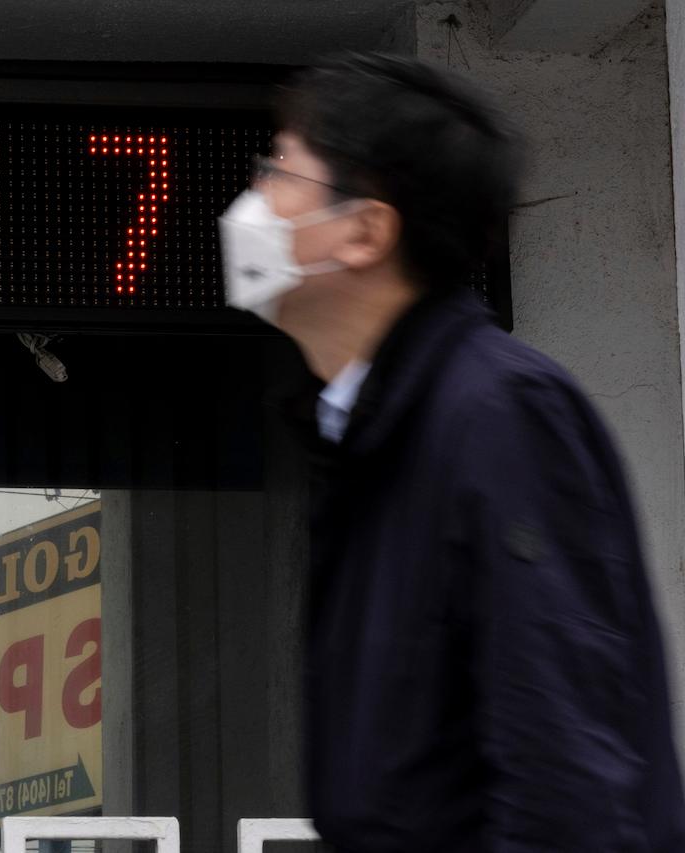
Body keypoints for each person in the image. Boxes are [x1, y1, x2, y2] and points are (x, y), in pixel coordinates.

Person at [218, 53, 685, 851]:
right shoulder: (367, 430)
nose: (254, 200)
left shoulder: (500, 415)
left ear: (366, 229)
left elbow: (566, 774)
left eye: (280, 169)